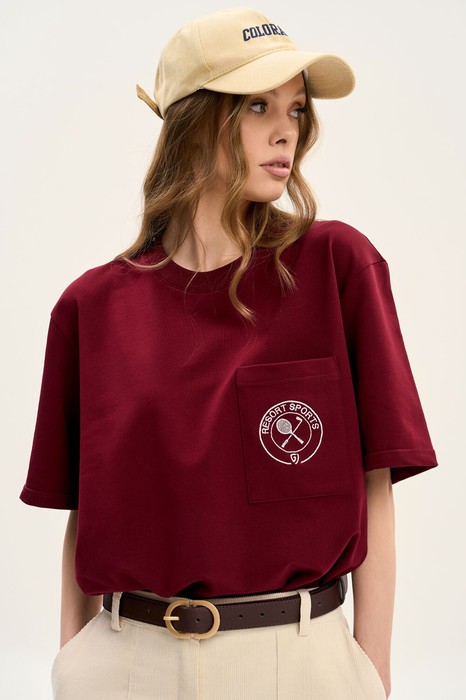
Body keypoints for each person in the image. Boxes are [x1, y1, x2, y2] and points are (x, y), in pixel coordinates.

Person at [19, 6, 438, 700]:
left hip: (294, 664)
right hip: (125, 663)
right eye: (256, 105)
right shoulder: (90, 308)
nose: (286, 131)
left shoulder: (337, 266)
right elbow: (84, 515)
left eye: (296, 109)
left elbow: (376, 485)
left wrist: (373, 673)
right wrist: (71, 662)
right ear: (191, 122)